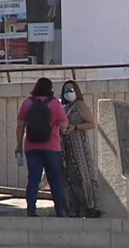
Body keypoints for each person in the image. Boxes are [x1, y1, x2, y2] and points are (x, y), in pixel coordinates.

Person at [15, 77, 68, 217]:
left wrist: (18, 145)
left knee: (33, 178)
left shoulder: (28, 103)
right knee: (55, 179)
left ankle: (31, 210)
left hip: (31, 147)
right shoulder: (55, 103)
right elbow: (64, 125)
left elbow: (20, 126)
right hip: (52, 147)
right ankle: (60, 211)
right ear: (50, 89)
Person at [60, 80, 102, 218]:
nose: (68, 93)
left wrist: (76, 127)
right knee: (70, 176)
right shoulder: (64, 107)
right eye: (66, 90)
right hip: (67, 145)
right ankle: (75, 207)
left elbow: (91, 123)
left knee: (82, 173)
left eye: (71, 90)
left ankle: (89, 205)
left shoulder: (80, 105)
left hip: (79, 145)